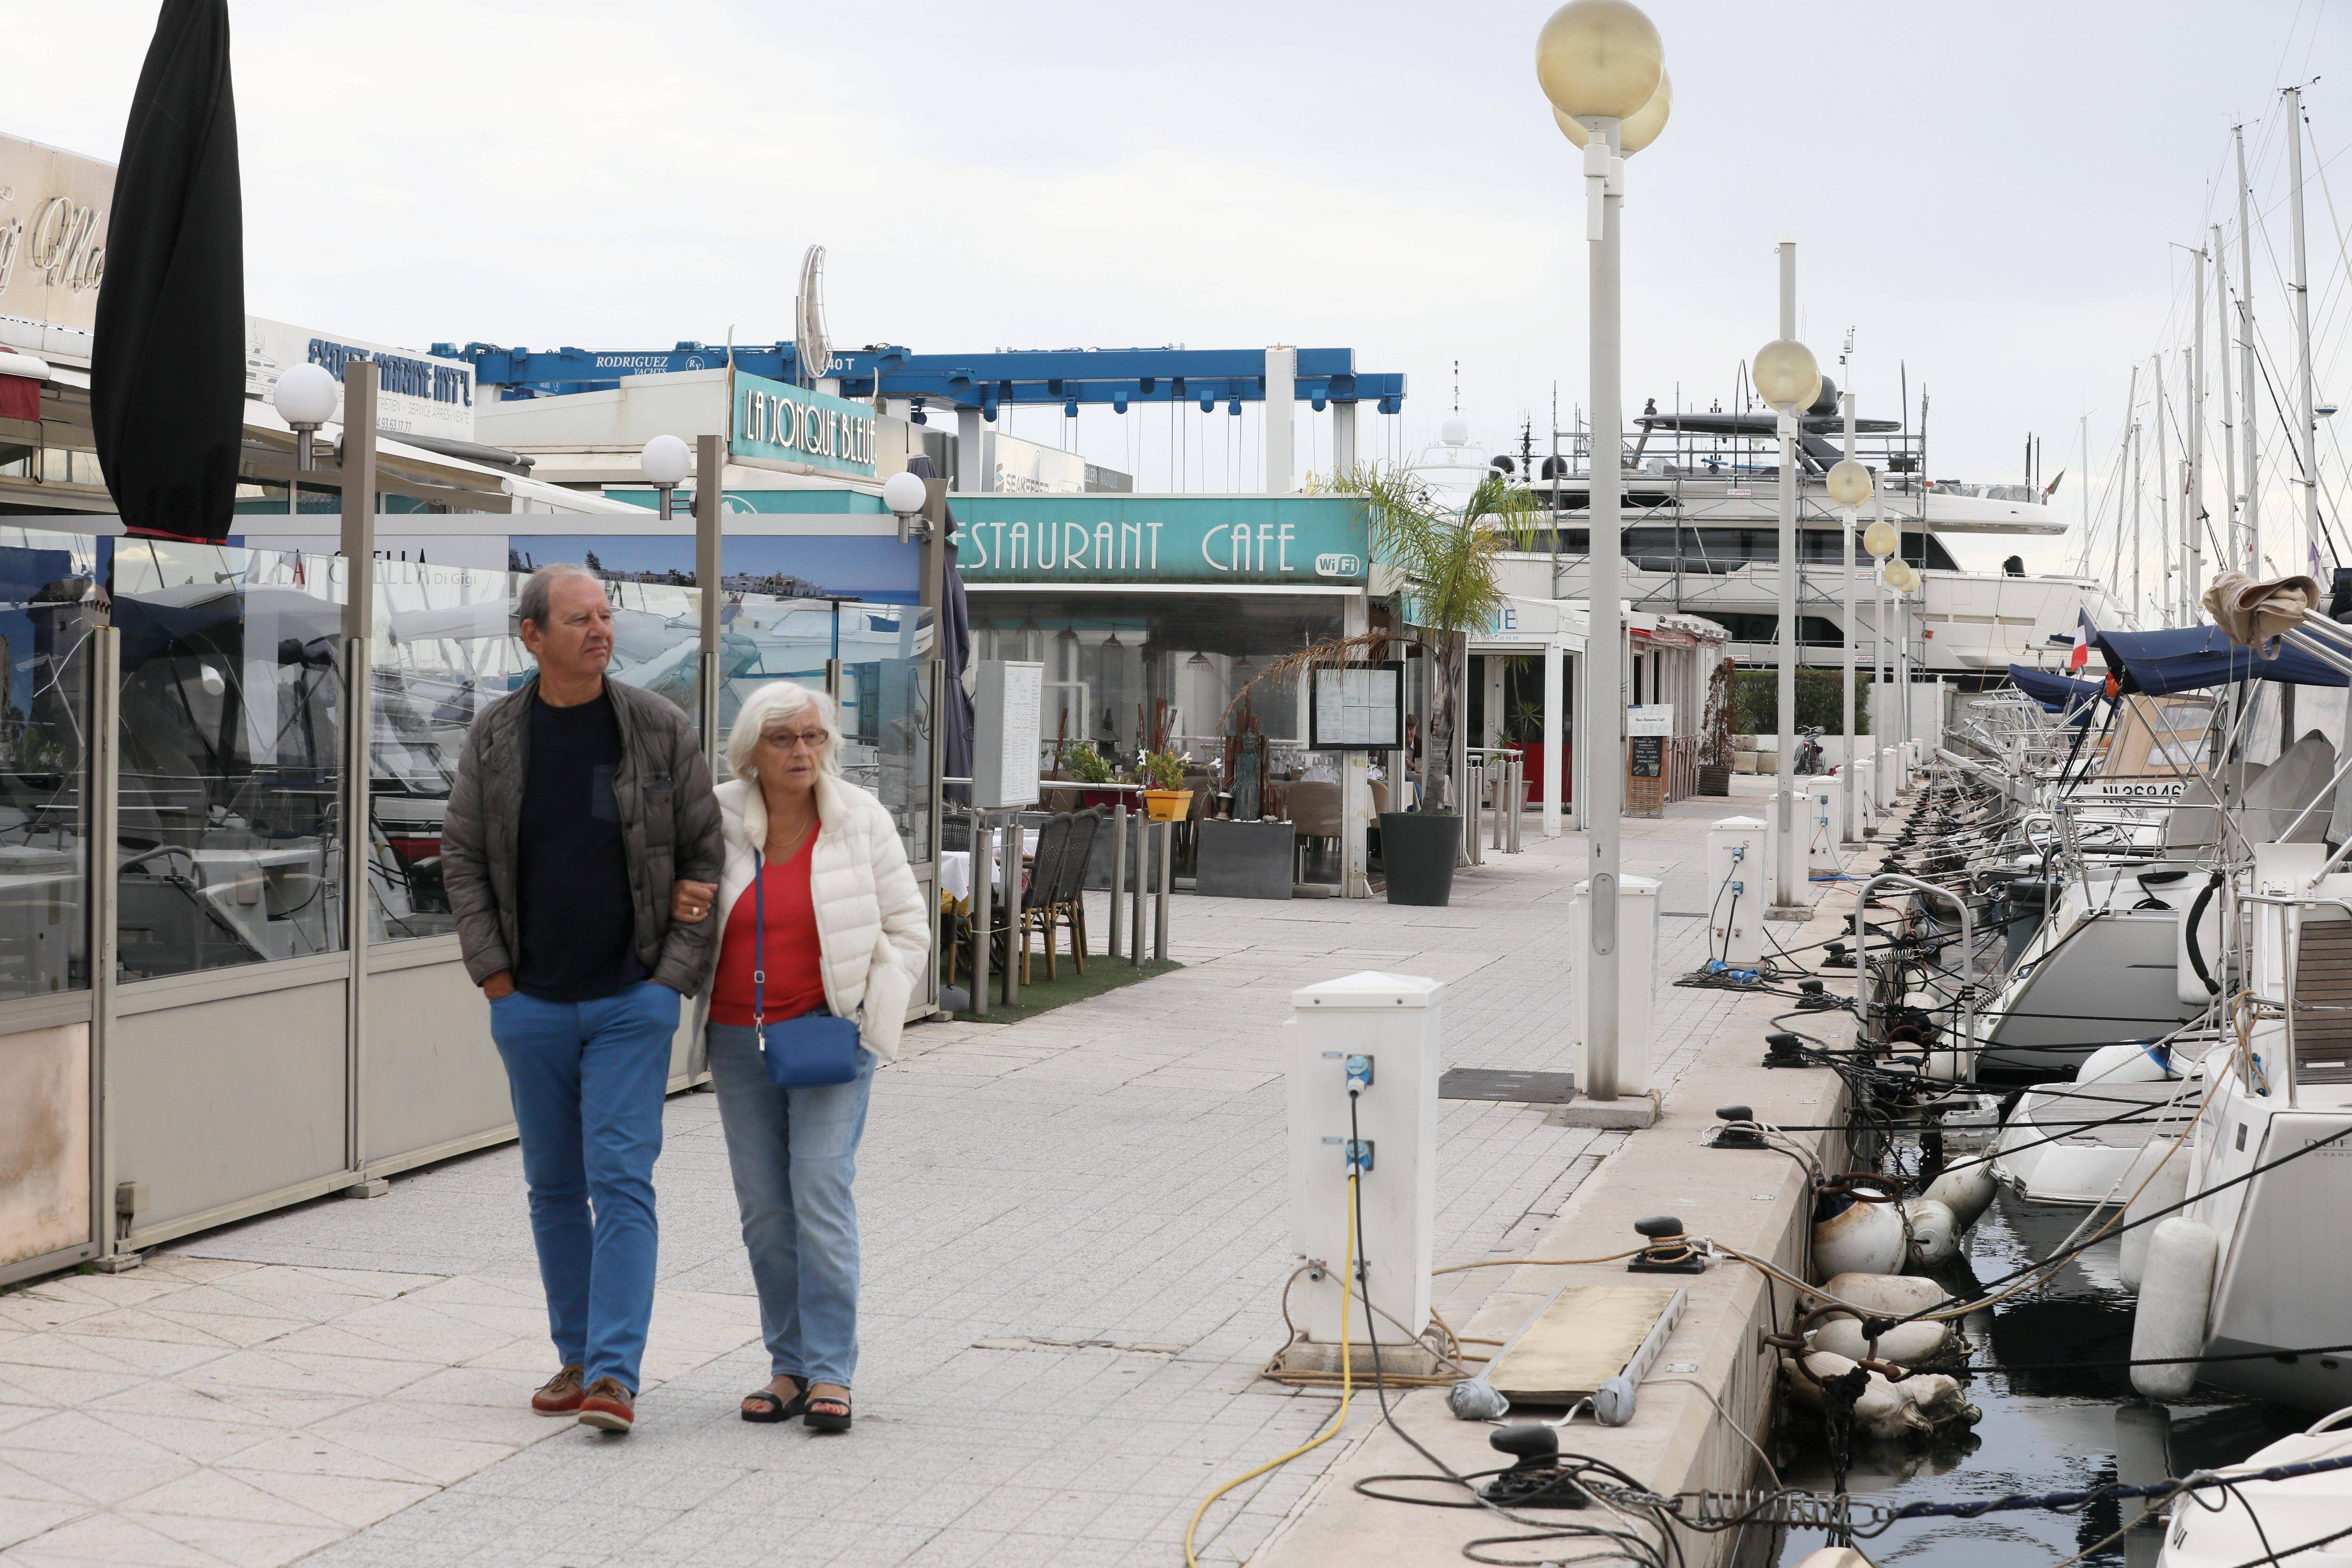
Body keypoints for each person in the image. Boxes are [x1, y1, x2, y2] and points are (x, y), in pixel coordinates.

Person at [442, 564, 723, 1435]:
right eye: (578, 619)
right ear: (532, 635)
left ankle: (614, 1374)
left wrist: (666, 982)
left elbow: (704, 858)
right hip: (531, 1004)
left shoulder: (658, 728)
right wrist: (497, 982)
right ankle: (576, 1357)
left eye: (606, 615)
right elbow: (460, 860)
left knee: (621, 1180)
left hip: (628, 1002)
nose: (600, 630)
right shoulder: (495, 736)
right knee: (553, 1186)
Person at [673, 680, 927, 1434]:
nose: (802, 751)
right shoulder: (715, 817)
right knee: (763, 1207)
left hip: (827, 1037)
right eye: (784, 739)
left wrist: (870, 1014)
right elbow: (680, 900)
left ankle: (831, 1371)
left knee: (819, 1191)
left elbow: (909, 926)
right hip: (737, 1037)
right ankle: (786, 1365)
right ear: (751, 749)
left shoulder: (860, 819)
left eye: (814, 737)